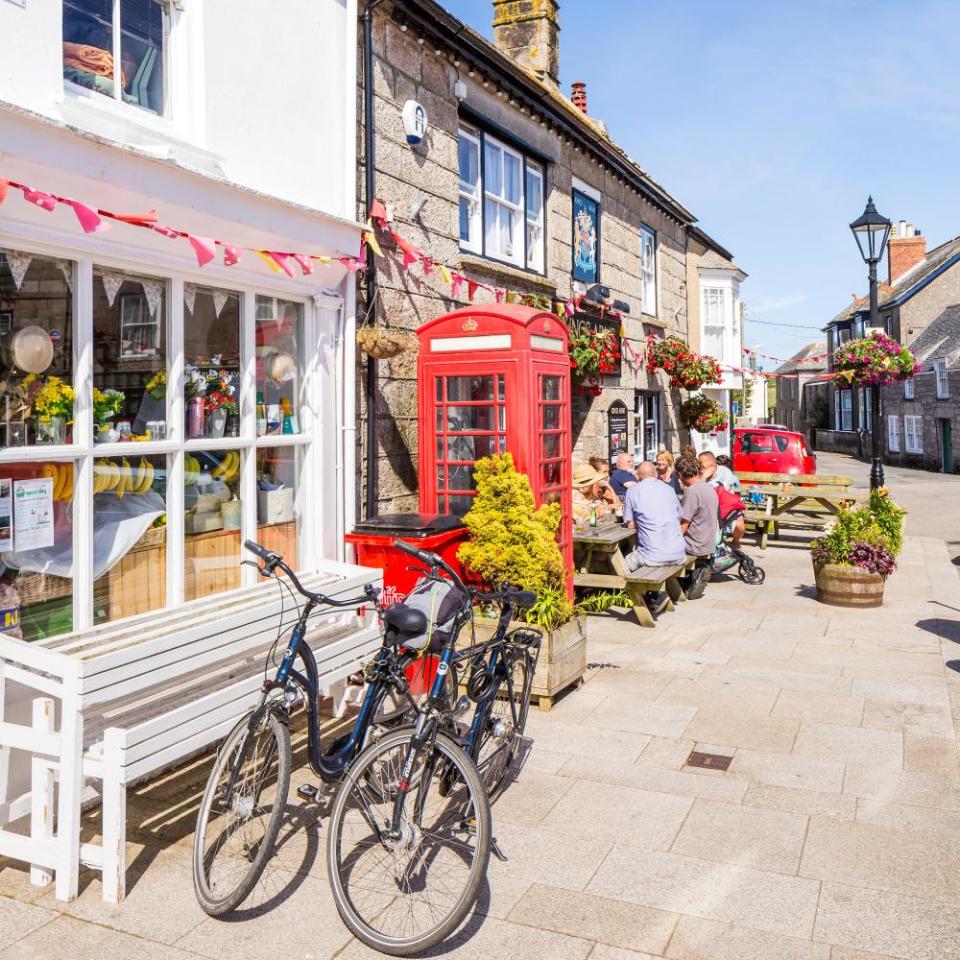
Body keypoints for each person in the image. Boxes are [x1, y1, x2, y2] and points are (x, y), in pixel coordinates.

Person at [622, 461, 687, 568]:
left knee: (623, 564)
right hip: (679, 554)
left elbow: (630, 525)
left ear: (638, 476)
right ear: (656, 474)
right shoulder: (669, 489)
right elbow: (679, 516)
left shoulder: (632, 491)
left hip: (651, 557)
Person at [698, 451, 746, 548]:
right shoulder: (700, 474)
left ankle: (735, 541)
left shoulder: (725, 471)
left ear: (711, 464)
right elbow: (697, 490)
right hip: (708, 508)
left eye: (700, 463)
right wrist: (703, 477)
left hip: (727, 507)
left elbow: (724, 491)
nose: (698, 465)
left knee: (740, 527)